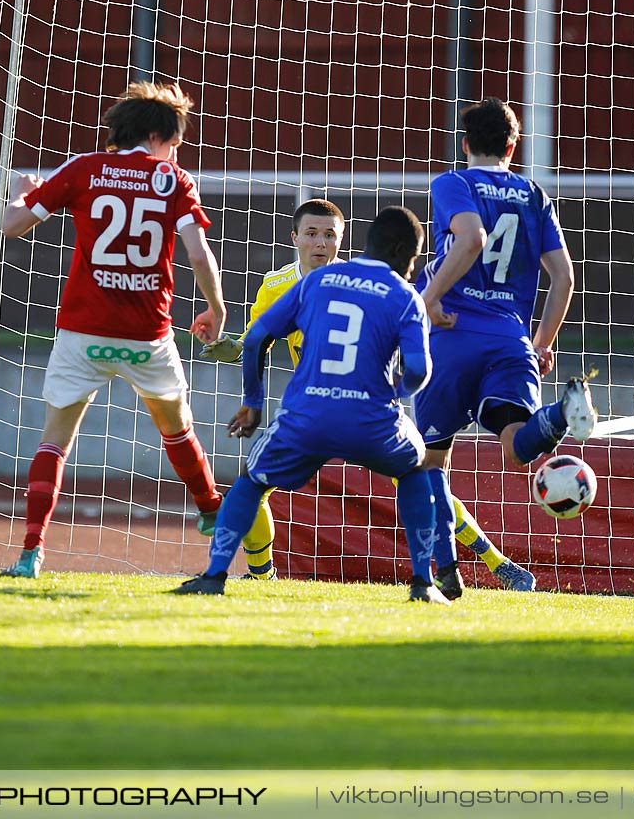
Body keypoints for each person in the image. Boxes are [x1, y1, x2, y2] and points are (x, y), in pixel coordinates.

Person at [227, 198, 536, 590]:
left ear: (343, 240)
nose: (320, 243)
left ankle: (497, 563)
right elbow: (258, 339)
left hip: (363, 409)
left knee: (423, 475)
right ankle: (262, 577)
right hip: (316, 408)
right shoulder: (275, 286)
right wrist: (236, 349)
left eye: (329, 235)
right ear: (295, 238)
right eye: (311, 234)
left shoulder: (363, 283)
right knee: (253, 483)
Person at [0, 81, 228, 578]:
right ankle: (211, 508)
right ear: (155, 134)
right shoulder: (173, 179)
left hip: (84, 332)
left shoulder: (83, 168)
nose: (178, 147)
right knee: (176, 426)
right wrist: (216, 308)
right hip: (148, 335)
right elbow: (197, 253)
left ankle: (30, 553)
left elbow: (11, 227)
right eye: (175, 137)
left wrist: (21, 193)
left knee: (55, 439)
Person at [175, 206, 453, 603]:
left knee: (252, 479)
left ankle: (215, 575)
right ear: (404, 254)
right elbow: (420, 370)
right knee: (415, 471)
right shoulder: (405, 295)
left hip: (307, 417)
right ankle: (424, 583)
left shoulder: (316, 281)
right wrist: (395, 391)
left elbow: (255, 341)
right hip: (372, 421)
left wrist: (254, 403)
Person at [415, 99, 576, 600]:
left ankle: (444, 572)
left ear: (465, 143)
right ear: (513, 146)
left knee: (430, 464)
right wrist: (541, 343)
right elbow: (566, 278)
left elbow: (471, 239)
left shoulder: (453, 183)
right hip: (511, 337)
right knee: (515, 447)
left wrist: (428, 299)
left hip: (452, 334)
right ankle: (556, 418)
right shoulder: (534, 194)